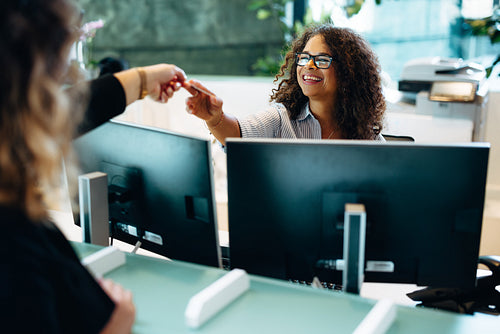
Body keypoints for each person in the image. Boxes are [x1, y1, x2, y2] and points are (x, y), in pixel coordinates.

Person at [0, 1, 186, 333]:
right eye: (71, 38)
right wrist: (114, 326)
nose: (73, 72)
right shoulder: (15, 248)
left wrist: (143, 79)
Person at [185, 24, 386, 145]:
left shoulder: (365, 133)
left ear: (348, 73)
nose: (309, 65)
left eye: (322, 60)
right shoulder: (281, 119)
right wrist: (215, 118)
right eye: (304, 57)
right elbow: (237, 134)